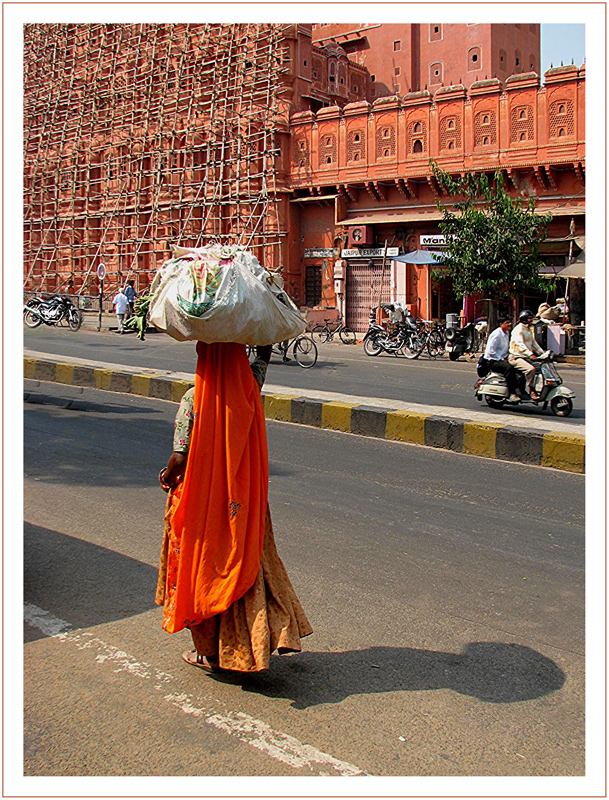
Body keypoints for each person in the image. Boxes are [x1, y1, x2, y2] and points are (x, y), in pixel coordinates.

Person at [156, 342, 312, 673]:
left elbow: (179, 457)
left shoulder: (193, 399)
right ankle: (254, 646)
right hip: (244, 501)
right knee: (251, 567)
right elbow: (262, 359)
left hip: (204, 503)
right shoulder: (249, 387)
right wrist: (263, 342)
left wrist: (167, 476)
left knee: (203, 568)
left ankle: (210, 654)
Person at [509, 309, 544, 400]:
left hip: (525, 357)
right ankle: (532, 389)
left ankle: (538, 389)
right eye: (529, 318)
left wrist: (543, 354)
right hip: (516, 357)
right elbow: (520, 344)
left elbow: (534, 344)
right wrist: (530, 354)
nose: (531, 320)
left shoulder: (528, 329)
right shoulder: (518, 330)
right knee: (530, 369)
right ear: (524, 319)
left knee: (541, 368)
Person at [483, 316, 519, 402]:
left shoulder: (506, 334)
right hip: (492, 360)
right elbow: (490, 351)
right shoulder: (496, 335)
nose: (509, 324)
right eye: (507, 323)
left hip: (502, 358)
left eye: (510, 322)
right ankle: (512, 394)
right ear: (501, 324)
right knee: (509, 368)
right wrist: (501, 359)